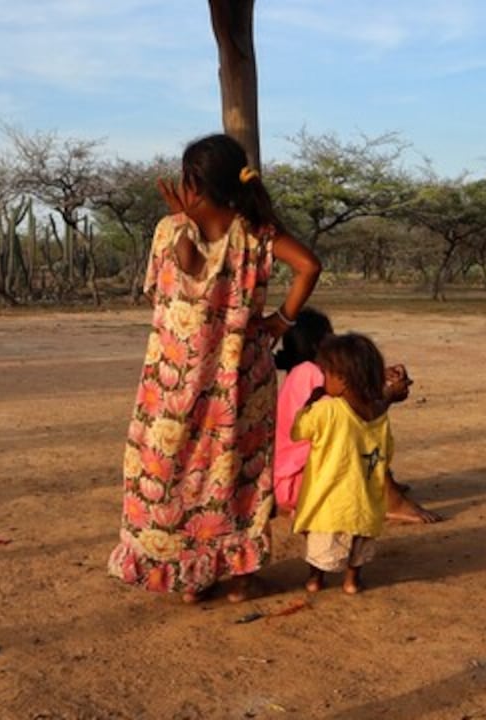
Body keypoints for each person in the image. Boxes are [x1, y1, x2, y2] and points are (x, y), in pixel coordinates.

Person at [109, 134, 321, 604]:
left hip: (173, 385)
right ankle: (240, 577)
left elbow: (171, 286)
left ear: (194, 184)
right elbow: (309, 265)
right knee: (235, 474)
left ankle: (191, 573)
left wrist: (184, 219)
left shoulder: (170, 230)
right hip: (240, 381)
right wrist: (281, 321)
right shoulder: (257, 231)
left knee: (172, 472)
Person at [273, 308, 441, 523]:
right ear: (318, 345)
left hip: (290, 482)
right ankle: (390, 499)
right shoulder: (310, 372)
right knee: (363, 429)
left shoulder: (302, 372)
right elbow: (359, 413)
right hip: (302, 483)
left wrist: (377, 374)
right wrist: (389, 395)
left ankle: (382, 485)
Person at [290, 333, 393, 595]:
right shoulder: (378, 414)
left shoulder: (327, 410)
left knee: (323, 544)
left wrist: (310, 401)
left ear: (343, 380)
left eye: (327, 374)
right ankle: (351, 581)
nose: (324, 380)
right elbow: (387, 451)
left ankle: (315, 580)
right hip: (365, 499)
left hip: (330, 500)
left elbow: (298, 430)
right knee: (359, 542)